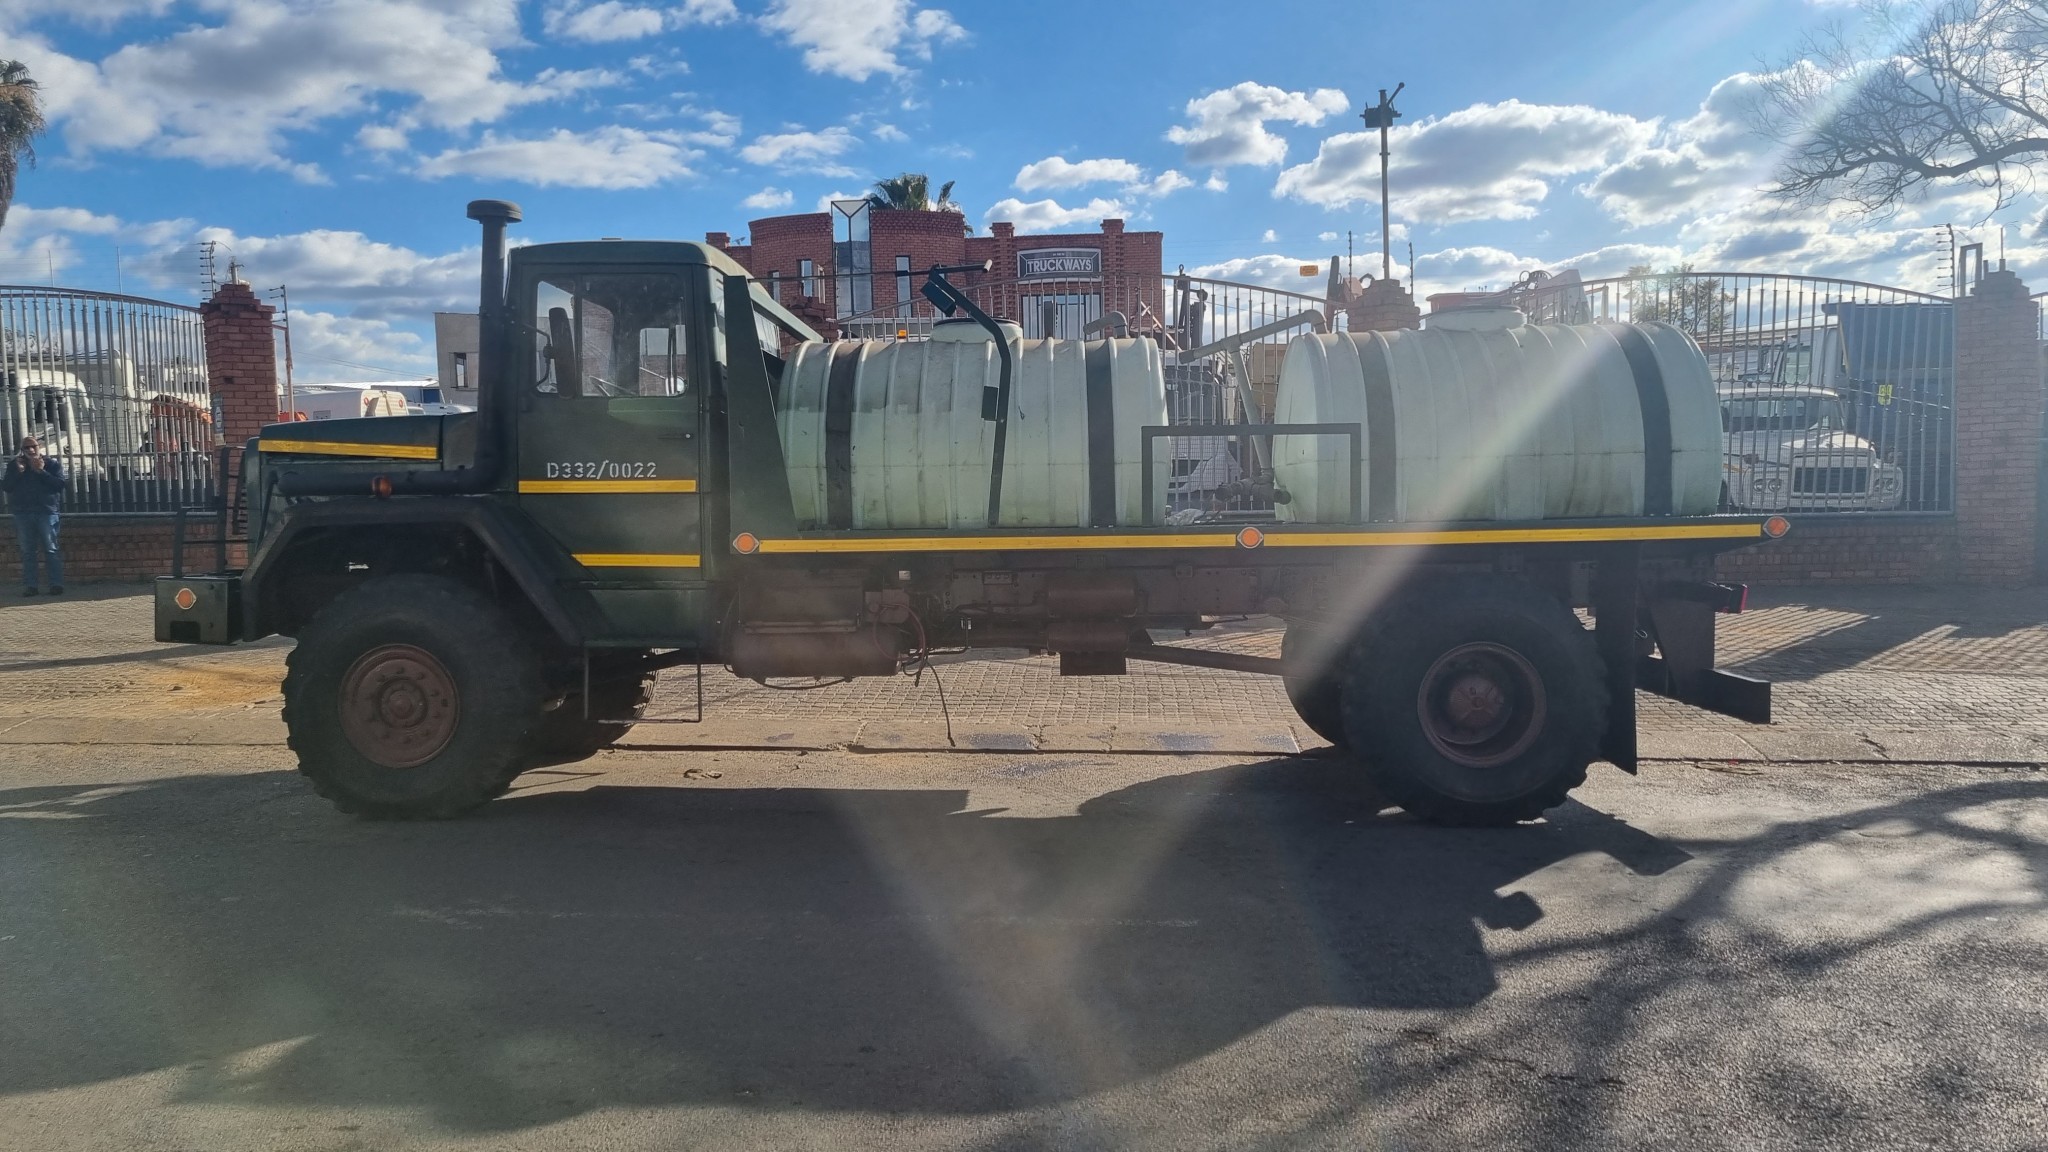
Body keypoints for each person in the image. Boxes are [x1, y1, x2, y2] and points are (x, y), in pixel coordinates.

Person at [3, 435, 66, 596]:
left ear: (39, 447)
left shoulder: (51, 464)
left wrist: (41, 471)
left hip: (47, 512)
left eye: (34, 446)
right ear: (22, 450)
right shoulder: (15, 465)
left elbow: (59, 485)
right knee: (27, 551)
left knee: (51, 549)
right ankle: (31, 586)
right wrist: (19, 472)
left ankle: (56, 584)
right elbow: (6, 487)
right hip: (23, 513)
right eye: (27, 447)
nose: (31, 450)